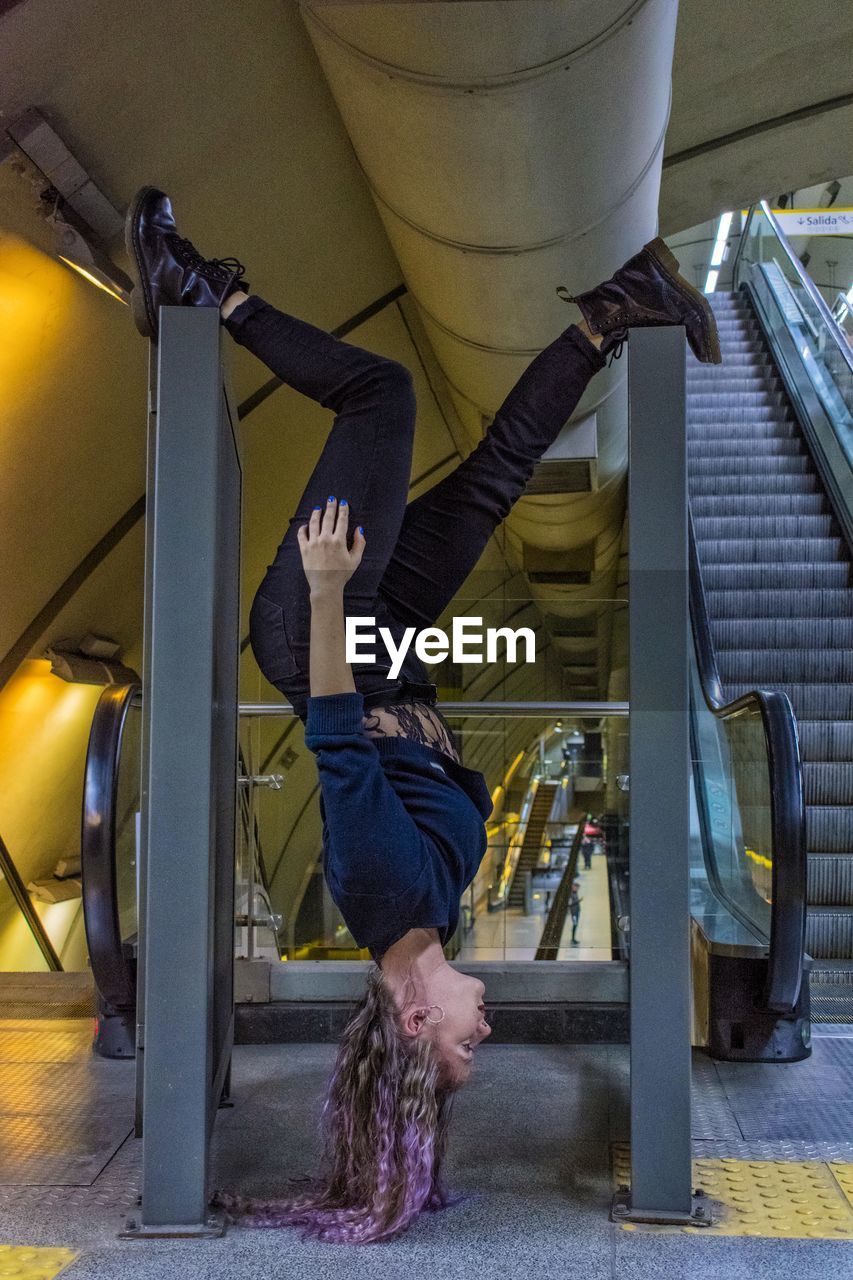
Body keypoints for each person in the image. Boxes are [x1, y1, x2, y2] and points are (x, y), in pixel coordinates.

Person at [125, 187, 720, 1243]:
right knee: (491, 485)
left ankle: (207, 291)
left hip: (332, 636)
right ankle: (610, 313)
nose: (480, 1033)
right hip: (386, 646)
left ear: (412, 1017)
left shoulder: (377, 887)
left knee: (383, 396)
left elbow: (335, 734)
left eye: (458, 1045)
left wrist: (321, 588)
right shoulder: (425, 919)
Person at [569, 880, 583, 944]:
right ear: (573, 887)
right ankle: (573, 939)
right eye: (576, 887)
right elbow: (570, 904)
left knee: (575, 924)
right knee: (575, 924)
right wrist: (579, 901)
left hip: (577, 911)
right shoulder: (571, 894)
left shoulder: (575, 892)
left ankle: (573, 938)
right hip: (574, 912)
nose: (577, 889)